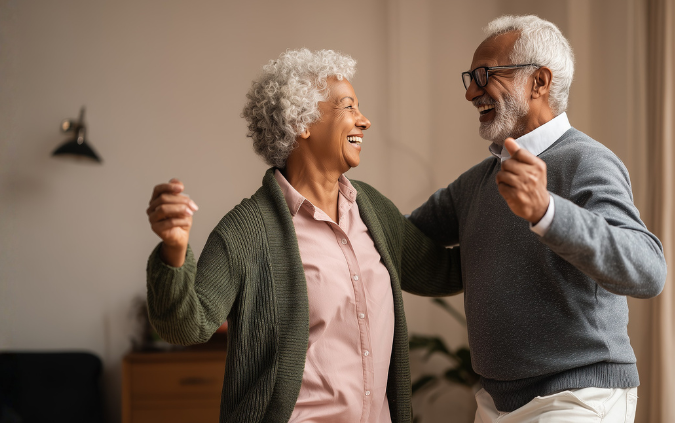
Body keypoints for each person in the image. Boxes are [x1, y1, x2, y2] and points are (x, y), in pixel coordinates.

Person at [144, 48, 462, 423]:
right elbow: (187, 327)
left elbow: (445, 271)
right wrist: (174, 250)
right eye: (348, 107)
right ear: (302, 123)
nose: (364, 121)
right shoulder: (247, 231)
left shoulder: (373, 210)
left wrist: (517, 213)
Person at [407, 15, 667, 422]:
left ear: (539, 82)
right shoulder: (477, 182)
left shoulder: (587, 161)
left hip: (577, 398)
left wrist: (547, 211)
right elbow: (405, 238)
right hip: (494, 402)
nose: (471, 92)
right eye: (470, 79)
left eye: (484, 75)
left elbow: (648, 270)